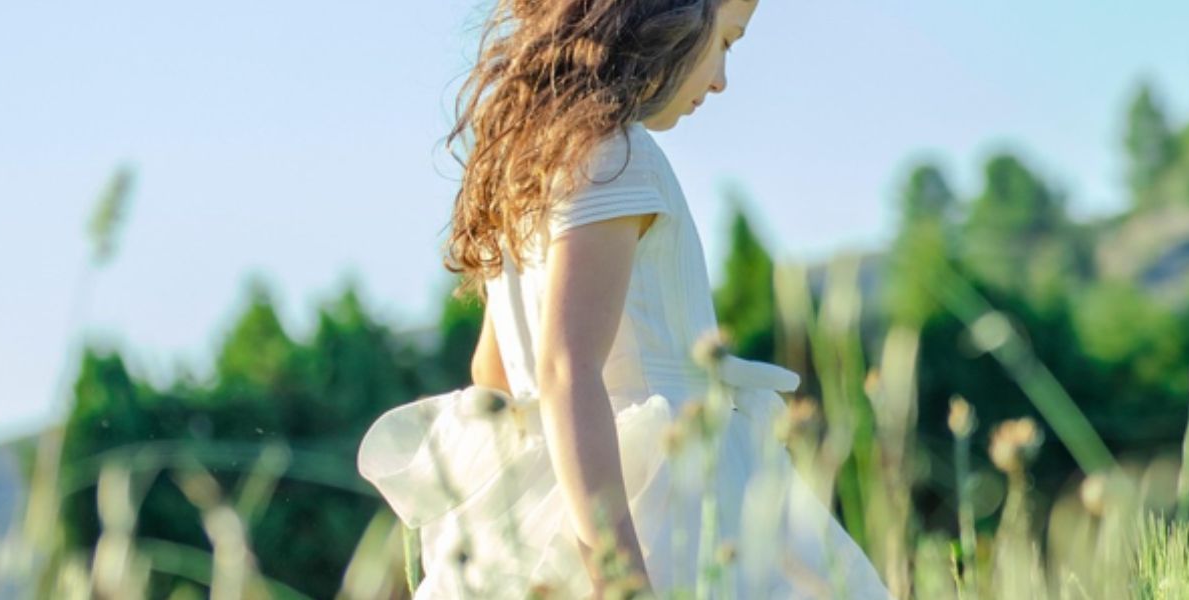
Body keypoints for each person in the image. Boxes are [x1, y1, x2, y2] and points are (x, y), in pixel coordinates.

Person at [358, 0, 890, 596]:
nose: (720, 80)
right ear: (672, 14)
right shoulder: (618, 158)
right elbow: (567, 368)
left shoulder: (530, 161)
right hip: (670, 498)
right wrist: (623, 580)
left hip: (559, 497)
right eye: (727, 42)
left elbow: (496, 374)